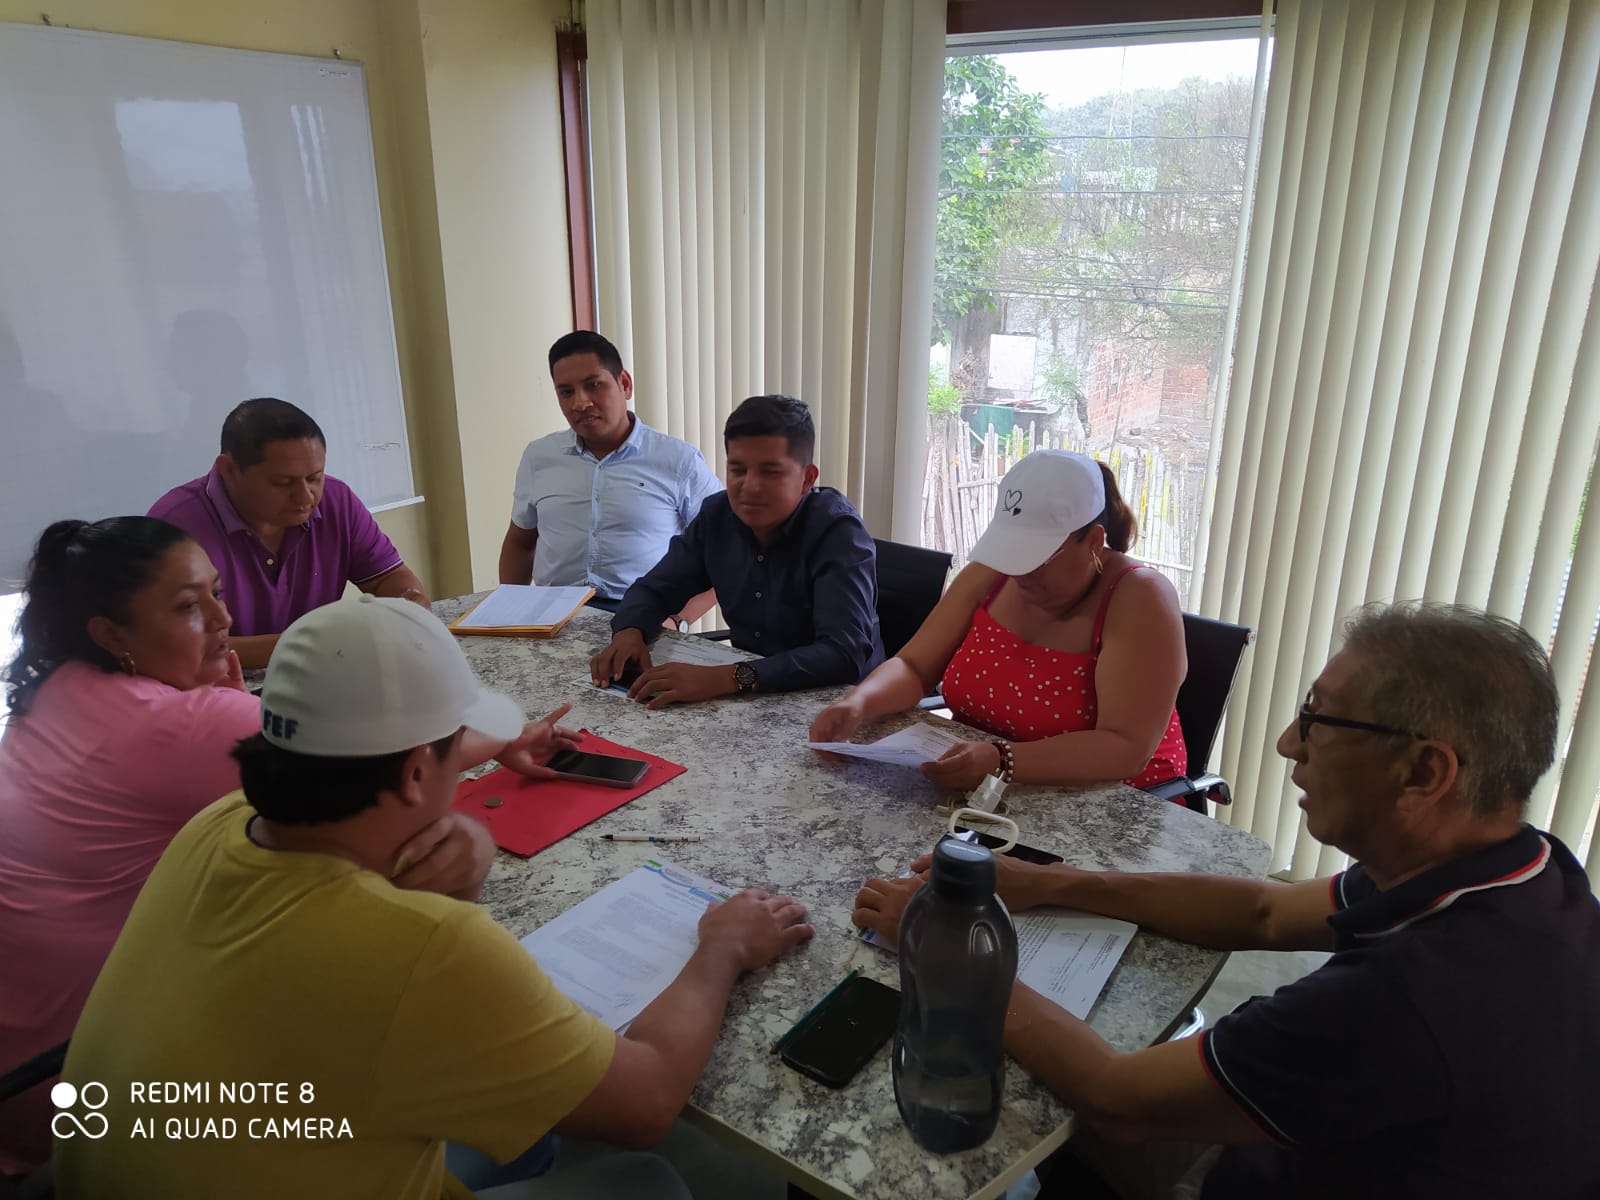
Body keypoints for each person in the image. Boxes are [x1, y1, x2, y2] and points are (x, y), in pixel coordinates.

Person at [56, 595, 813, 1199]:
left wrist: (488, 751)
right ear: (418, 773)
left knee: (527, 1123)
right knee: (646, 1180)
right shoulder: (423, 948)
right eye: (458, 751)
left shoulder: (221, 822)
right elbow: (646, 1105)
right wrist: (722, 947)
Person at [853, 603, 1600, 1200]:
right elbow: (1265, 912)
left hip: (1258, 1178)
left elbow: (1118, 1098)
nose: (1288, 744)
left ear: (1425, 772)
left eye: (1321, 720)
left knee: (953, 1135)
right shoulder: (1517, 869)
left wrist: (947, 950)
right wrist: (1053, 882)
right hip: (1323, 1147)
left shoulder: (1410, 999)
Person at [0, 520, 575, 1179]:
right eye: (188, 607)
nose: (224, 619)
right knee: (522, 1128)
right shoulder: (181, 724)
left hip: (38, 1072)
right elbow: (381, 759)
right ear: (111, 634)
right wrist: (507, 734)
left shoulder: (57, 688)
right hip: (110, 1088)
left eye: (217, 593)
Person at [810, 449, 1186, 792]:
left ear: (1093, 542)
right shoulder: (992, 574)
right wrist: (859, 702)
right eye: (1013, 552)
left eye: (1038, 557)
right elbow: (914, 666)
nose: (1020, 572)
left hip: (1117, 803)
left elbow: (1126, 747)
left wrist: (1003, 760)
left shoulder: (1139, 597)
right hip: (993, 788)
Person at [590, 394, 883, 707]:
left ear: (806, 479)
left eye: (770, 472)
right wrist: (629, 632)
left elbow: (843, 652)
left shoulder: (837, 532)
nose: (750, 486)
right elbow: (655, 588)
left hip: (842, 705)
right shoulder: (717, 516)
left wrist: (727, 677)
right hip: (755, 697)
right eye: (738, 470)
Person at [148, 397, 430, 668]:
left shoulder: (336, 501)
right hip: (217, 686)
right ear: (229, 470)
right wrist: (315, 644)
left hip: (320, 670)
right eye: (283, 482)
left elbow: (386, 577)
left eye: (314, 478)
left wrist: (409, 600)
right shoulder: (175, 527)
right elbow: (179, 644)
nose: (305, 496)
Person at [499, 332, 722, 621]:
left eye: (594, 385)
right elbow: (520, 542)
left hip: (643, 615)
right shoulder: (539, 457)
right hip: (553, 615)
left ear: (624, 384)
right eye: (566, 392)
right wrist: (509, 612)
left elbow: (725, 551)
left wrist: (676, 620)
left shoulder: (679, 461)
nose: (580, 403)